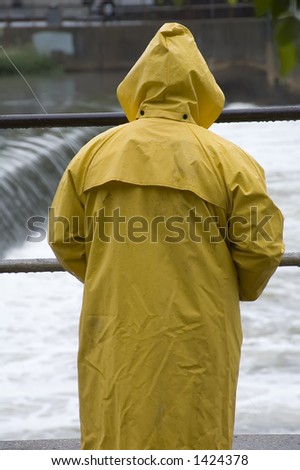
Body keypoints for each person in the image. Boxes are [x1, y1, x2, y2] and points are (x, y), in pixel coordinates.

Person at [48, 22, 284, 450]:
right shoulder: (230, 160)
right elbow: (261, 247)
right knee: (196, 431)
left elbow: (64, 238)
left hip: (115, 322)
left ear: (135, 87)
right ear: (202, 90)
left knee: (116, 426)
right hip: (200, 325)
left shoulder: (93, 154)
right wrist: (229, 288)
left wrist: (112, 275)